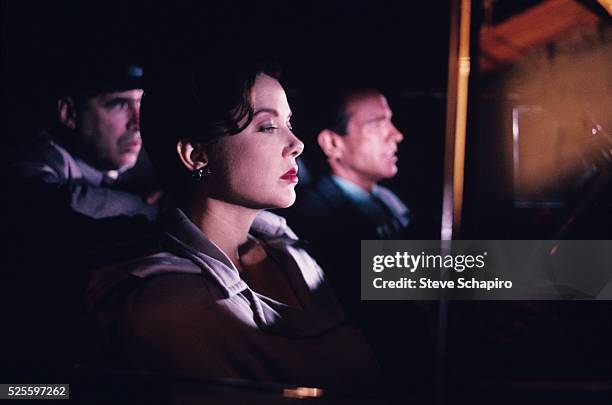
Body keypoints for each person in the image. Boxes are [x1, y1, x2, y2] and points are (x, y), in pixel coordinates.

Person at [87, 58, 383, 396]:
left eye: (289, 122)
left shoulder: (290, 251)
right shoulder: (167, 308)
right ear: (196, 154)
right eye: (268, 127)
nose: (297, 144)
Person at [9, 60, 159, 220]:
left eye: (140, 103)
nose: (138, 123)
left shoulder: (147, 161)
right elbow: (51, 202)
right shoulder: (29, 160)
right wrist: (150, 208)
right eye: (120, 105)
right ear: (69, 113)